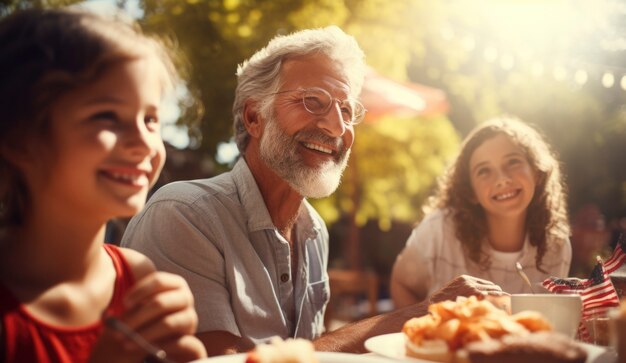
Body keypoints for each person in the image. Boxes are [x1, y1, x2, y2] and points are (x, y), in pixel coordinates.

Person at [121, 26, 505, 355]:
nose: (337, 128)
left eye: (347, 110)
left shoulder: (314, 231)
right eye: (313, 101)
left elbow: (305, 349)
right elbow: (227, 360)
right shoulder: (184, 214)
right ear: (254, 117)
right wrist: (414, 315)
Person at [0, 8, 206, 362]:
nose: (143, 142)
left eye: (151, 119)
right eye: (107, 116)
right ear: (20, 139)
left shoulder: (135, 278)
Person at [391, 116, 572, 308]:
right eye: (484, 171)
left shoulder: (556, 245)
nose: (502, 179)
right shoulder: (438, 230)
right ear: (471, 192)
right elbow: (401, 283)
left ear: (536, 172)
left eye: (513, 162)